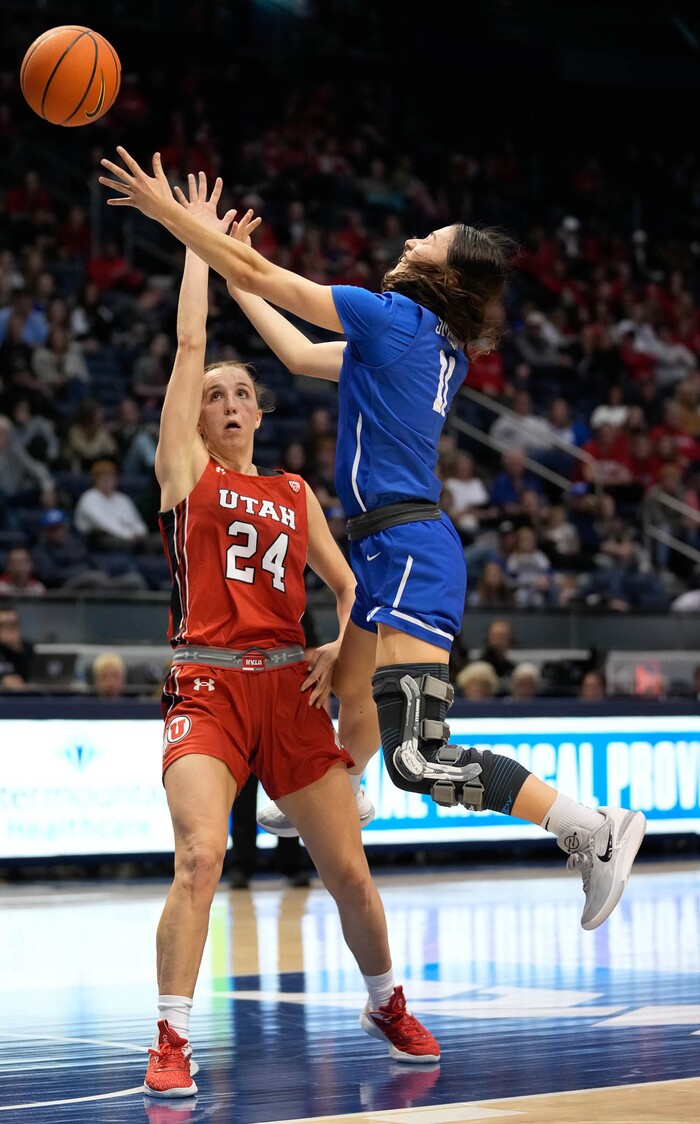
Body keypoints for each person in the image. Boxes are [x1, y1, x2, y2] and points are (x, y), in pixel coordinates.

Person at [99, 152, 647, 938]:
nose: (416, 236)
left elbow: (264, 277)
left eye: (432, 237)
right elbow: (290, 351)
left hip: (410, 549)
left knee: (418, 759)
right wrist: (224, 264)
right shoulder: (428, 346)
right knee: (348, 685)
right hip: (388, 551)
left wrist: (176, 219)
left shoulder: (389, 317)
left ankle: (589, 827)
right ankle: (342, 788)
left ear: (445, 276)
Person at [118, 175, 439, 1099]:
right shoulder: (185, 476)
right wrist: (196, 241)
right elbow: (188, 342)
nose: (222, 401)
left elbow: (350, 585)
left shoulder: (294, 493)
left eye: (238, 393)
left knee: (353, 879)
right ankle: (172, 1036)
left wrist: (343, 643)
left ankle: (385, 1000)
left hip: (290, 692)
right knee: (199, 857)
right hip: (208, 687)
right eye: (212, 393)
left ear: (257, 413)